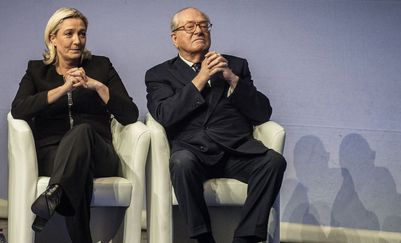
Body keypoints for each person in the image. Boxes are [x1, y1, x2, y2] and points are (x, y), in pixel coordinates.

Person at [145, 7, 287, 243]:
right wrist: (201, 77)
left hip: (236, 151)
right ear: (174, 38)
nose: (199, 30)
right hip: (194, 153)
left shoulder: (235, 65)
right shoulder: (159, 73)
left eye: (204, 25)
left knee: (273, 161)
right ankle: (203, 238)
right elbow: (165, 114)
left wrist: (232, 78)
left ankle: (246, 238)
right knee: (181, 163)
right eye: (190, 26)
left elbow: (262, 113)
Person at [11, 7, 138, 243]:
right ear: (53, 38)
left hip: (99, 152)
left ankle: (54, 192)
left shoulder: (102, 66)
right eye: (69, 34)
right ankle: (67, 211)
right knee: (78, 172)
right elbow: (19, 109)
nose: (77, 41)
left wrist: (98, 87)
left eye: (82, 33)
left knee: (83, 131)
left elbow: (130, 114)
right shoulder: (37, 70)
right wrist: (62, 89)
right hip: (54, 154)